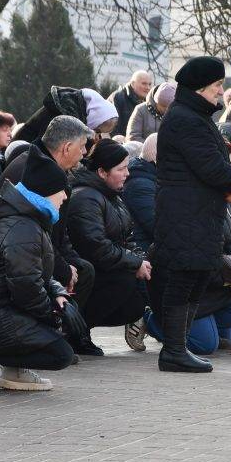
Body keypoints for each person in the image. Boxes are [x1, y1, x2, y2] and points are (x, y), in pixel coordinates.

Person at [152, 56, 231, 371]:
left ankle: (177, 348)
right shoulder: (186, 119)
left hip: (197, 212)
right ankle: (173, 350)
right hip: (186, 213)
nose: (221, 92)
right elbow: (212, 168)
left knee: (195, 278)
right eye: (217, 85)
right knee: (184, 279)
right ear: (199, 87)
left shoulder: (195, 116)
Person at [0, 146, 75, 396]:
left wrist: (57, 293)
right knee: (59, 352)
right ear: (45, 191)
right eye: (60, 189)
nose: (64, 196)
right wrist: (52, 314)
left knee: (55, 339)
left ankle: (13, 370)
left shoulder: (29, 218)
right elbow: (26, 287)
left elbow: (36, 274)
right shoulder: (22, 225)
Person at [0, 116, 96, 313]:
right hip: (0, 271)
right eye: (82, 146)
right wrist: (64, 270)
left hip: (27, 256)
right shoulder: (38, 171)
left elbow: (56, 233)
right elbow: (29, 238)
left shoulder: (43, 163)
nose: (84, 153)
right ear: (66, 147)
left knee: (84, 270)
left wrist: (68, 264)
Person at [67, 139, 147, 355]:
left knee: (136, 300)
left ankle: (82, 330)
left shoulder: (112, 196)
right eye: (121, 169)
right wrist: (134, 262)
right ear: (102, 172)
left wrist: (141, 260)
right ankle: (74, 331)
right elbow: (95, 247)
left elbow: (126, 237)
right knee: (124, 281)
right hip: (85, 272)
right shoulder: (86, 198)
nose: (127, 174)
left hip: (104, 267)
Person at [15, 86, 118, 143]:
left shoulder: (76, 111)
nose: (96, 136)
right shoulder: (64, 115)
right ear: (93, 120)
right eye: (97, 131)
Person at [123, 133, 158, 255]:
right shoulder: (140, 185)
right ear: (156, 158)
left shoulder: (147, 178)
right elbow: (156, 227)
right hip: (145, 252)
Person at [109, 70, 153, 135]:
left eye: (149, 84)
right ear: (133, 84)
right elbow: (110, 125)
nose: (148, 88)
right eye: (144, 83)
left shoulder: (151, 103)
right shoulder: (118, 98)